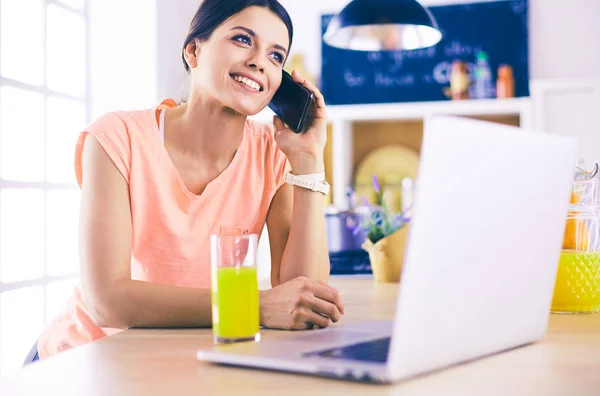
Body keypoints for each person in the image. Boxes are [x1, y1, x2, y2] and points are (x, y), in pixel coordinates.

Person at [33, 0, 344, 362]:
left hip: (181, 361)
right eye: (243, 40)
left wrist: (308, 162)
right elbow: (107, 302)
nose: (260, 61)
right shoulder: (117, 137)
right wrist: (251, 305)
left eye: (276, 56)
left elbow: (304, 297)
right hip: (86, 358)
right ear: (194, 50)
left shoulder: (273, 155)